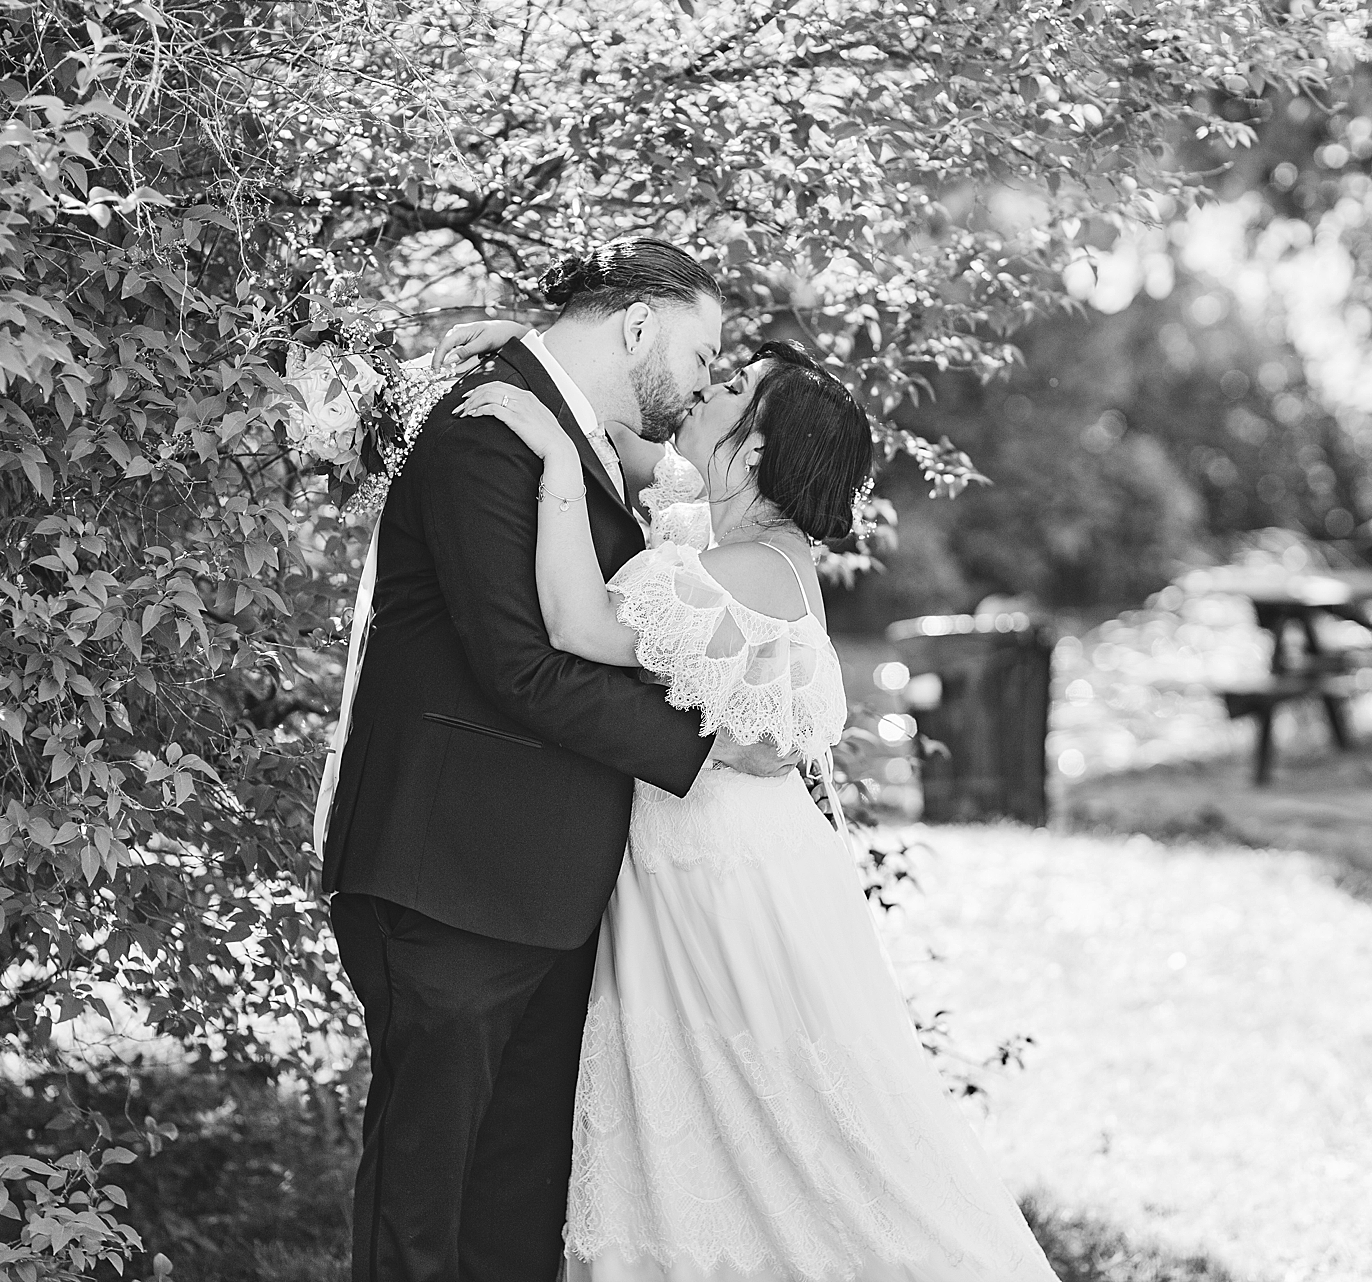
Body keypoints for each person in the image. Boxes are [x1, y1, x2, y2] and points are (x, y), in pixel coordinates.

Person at [451, 333, 1064, 1281]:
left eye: (729, 389)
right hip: (727, 868)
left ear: (753, 455)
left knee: (796, 1141)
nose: (704, 388)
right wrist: (538, 351)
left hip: (721, 889)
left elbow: (574, 625)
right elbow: (652, 455)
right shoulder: (751, 546)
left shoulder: (739, 575)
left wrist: (554, 458)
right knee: (732, 1137)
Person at [318, 238, 798, 1282]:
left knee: (514, 1210)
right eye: (701, 348)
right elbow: (518, 668)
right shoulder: (485, 432)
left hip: (538, 890)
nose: (709, 377)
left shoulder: (581, 444)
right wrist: (706, 745)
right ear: (635, 327)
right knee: (425, 1210)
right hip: (445, 879)